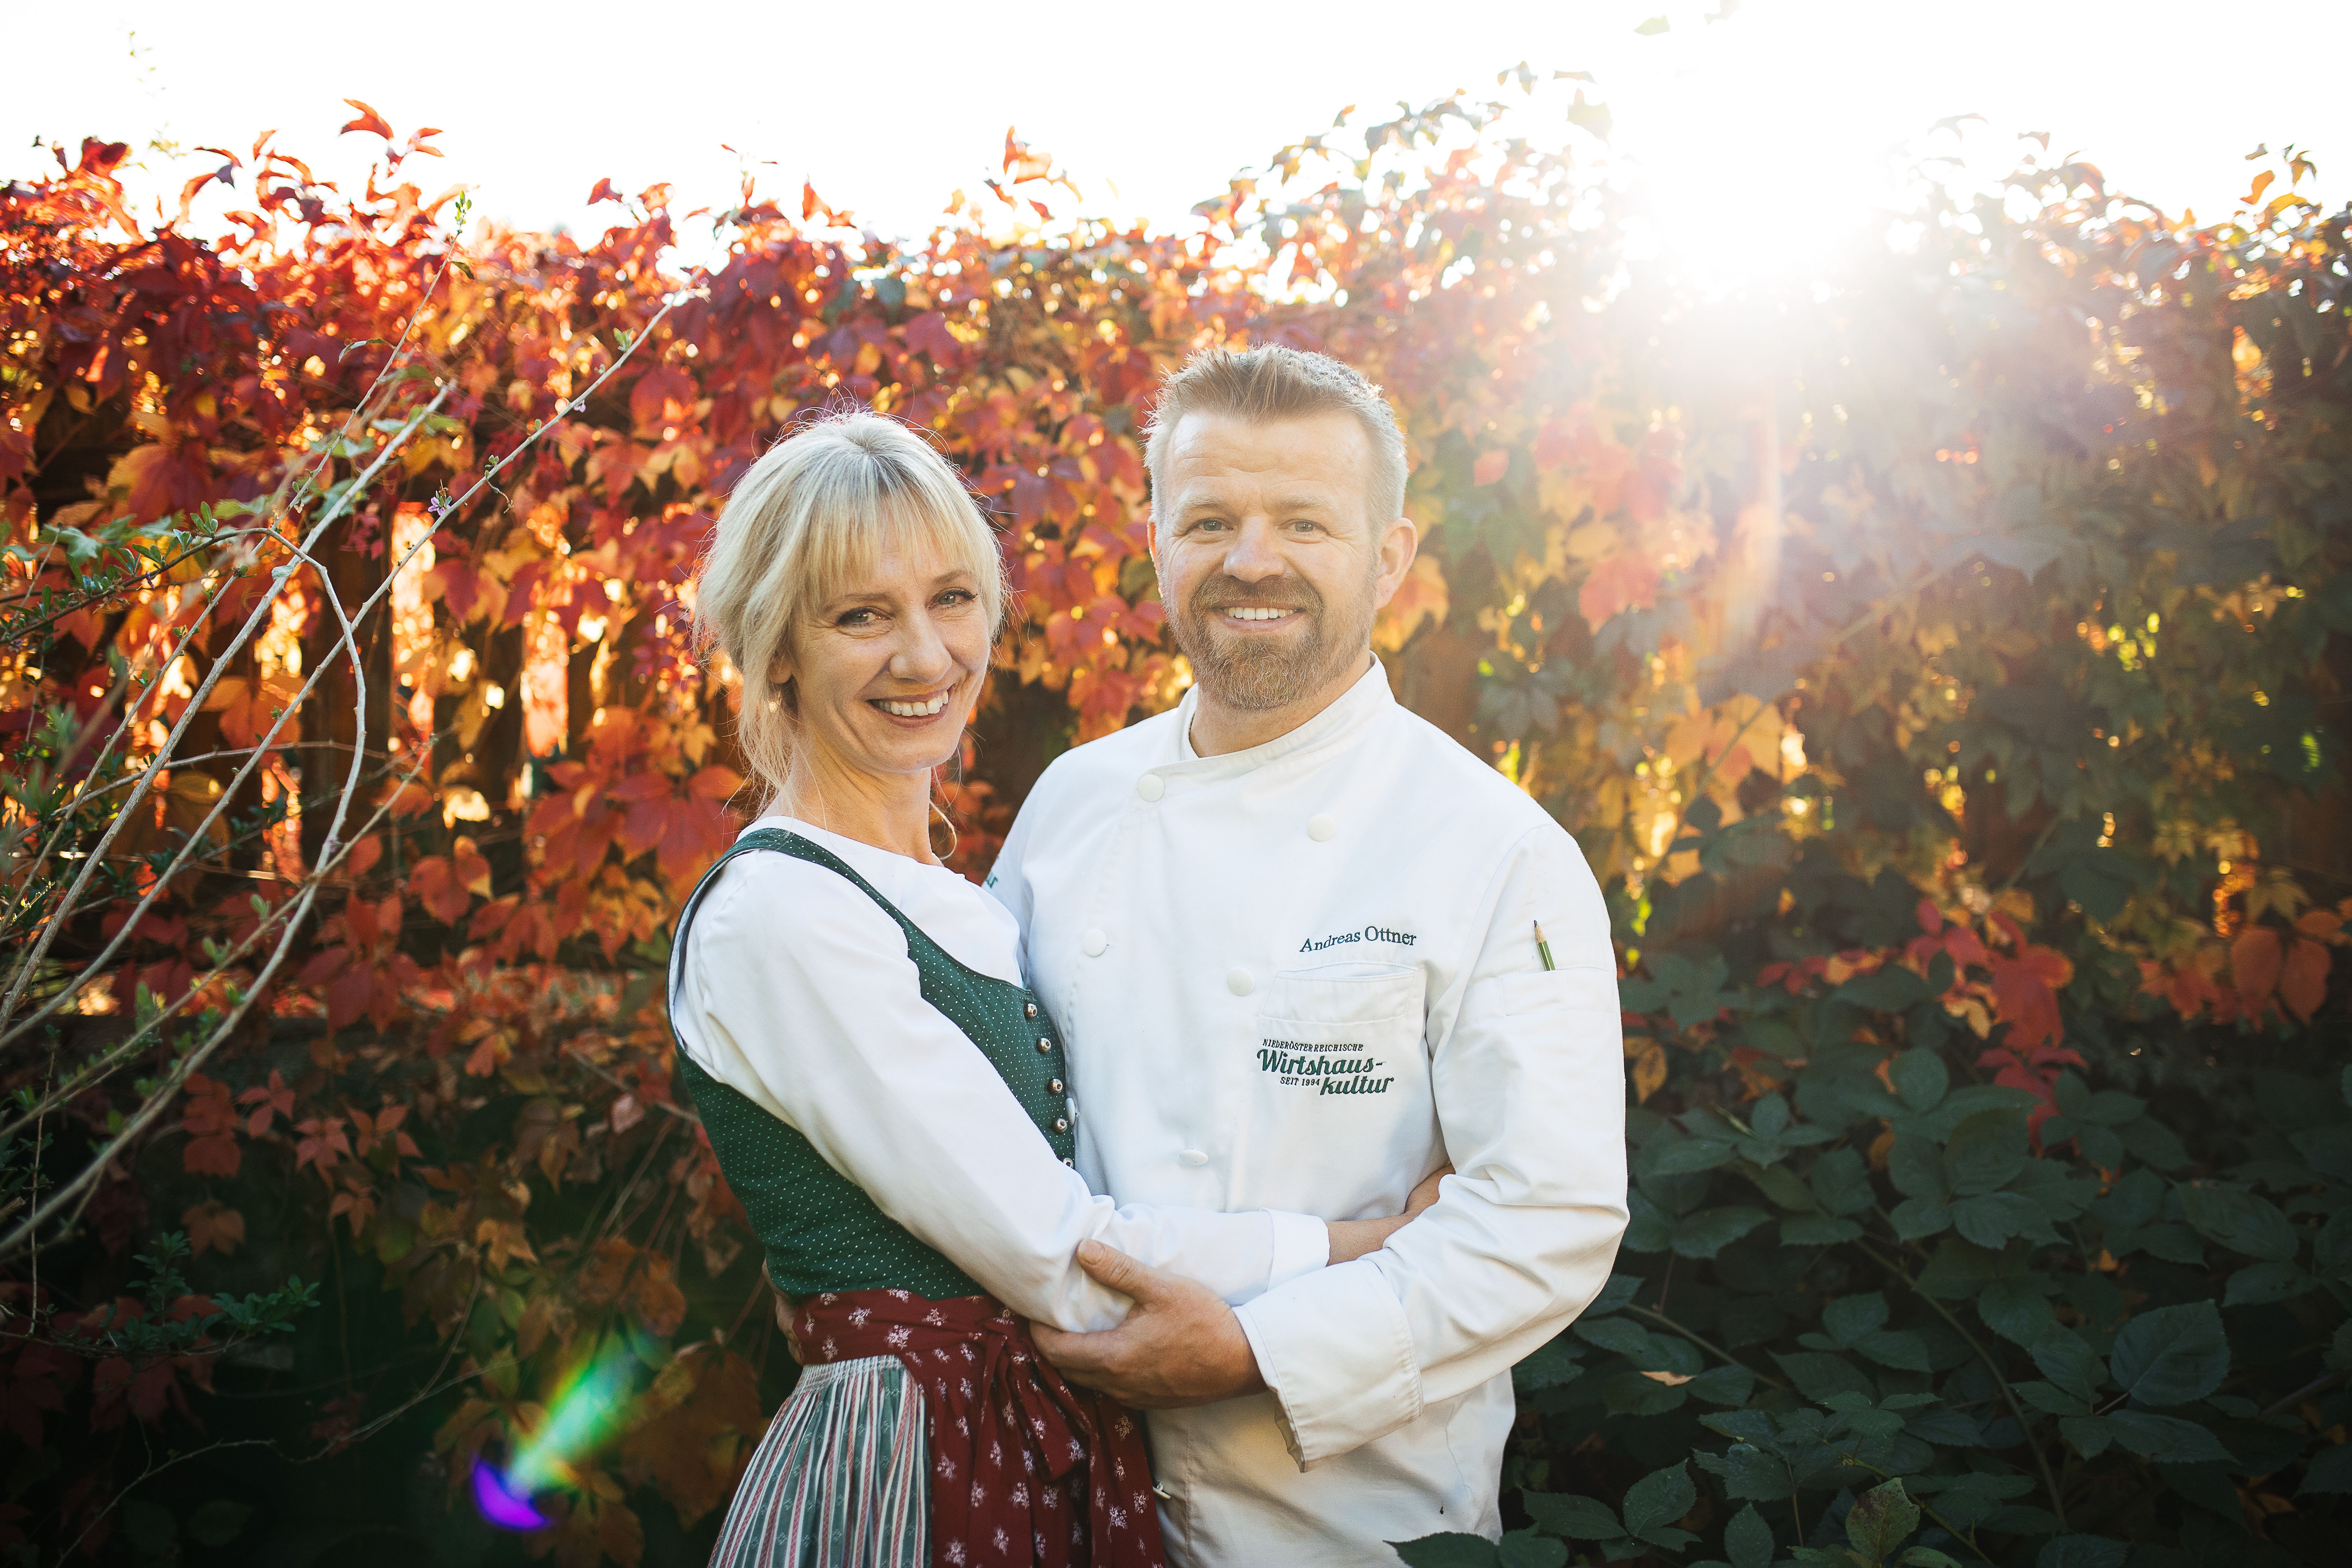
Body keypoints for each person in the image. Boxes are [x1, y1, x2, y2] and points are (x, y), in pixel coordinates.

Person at [669, 408, 1435, 1568]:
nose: (925, 656)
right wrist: (1370, 1242)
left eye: (951, 599)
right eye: (860, 615)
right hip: (909, 1469)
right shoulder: (784, 913)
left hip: (1012, 1443)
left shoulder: (957, 895)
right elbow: (1065, 1256)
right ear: (776, 646)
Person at [985, 346, 1631, 1564]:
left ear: (1389, 555)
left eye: (1304, 522)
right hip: (1054, 1496)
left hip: (1348, 1523)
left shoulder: (1493, 846)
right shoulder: (1072, 804)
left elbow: (1545, 1214)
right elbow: (978, 1110)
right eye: (1210, 520)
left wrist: (1250, 1350)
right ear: (1158, 541)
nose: (1250, 561)